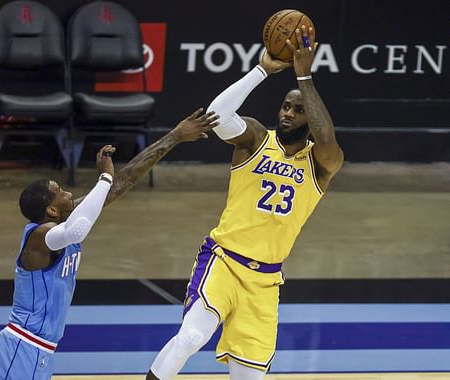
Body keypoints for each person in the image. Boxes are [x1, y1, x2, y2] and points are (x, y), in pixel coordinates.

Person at [147, 26, 344, 380]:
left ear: (310, 119)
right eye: (285, 106)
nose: (287, 113)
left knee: (249, 376)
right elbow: (217, 115)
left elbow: (327, 136)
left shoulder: (321, 164)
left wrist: (305, 77)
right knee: (191, 336)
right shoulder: (254, 138)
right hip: (223, 260)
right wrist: (263, 70)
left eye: (298, 110)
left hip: (266, 280)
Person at [0, 108, 219, 380]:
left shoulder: (64, 222)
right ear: (50, 211)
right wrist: (104, 178)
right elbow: (78, 230)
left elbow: (126, 179)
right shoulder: (39, 237)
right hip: (21, 346)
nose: (69, 192)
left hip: (40, 350)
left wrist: (175, 136)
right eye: (60, 192)